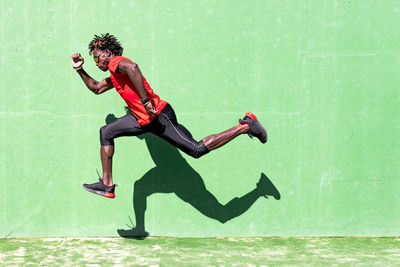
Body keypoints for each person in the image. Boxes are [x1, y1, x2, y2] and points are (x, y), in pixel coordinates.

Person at [71, 33, 268, 199]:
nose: (96, 62)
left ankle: (246, 125)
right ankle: (107, 185)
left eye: (97, 58)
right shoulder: (115, 75)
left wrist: (145, 101)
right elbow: (96, 88)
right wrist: (80, 69)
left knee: (197, 150)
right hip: (142, 120)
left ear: (107, 53)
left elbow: (133, 67)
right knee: (106, 132)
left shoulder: (116, 63)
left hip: (158, 116)